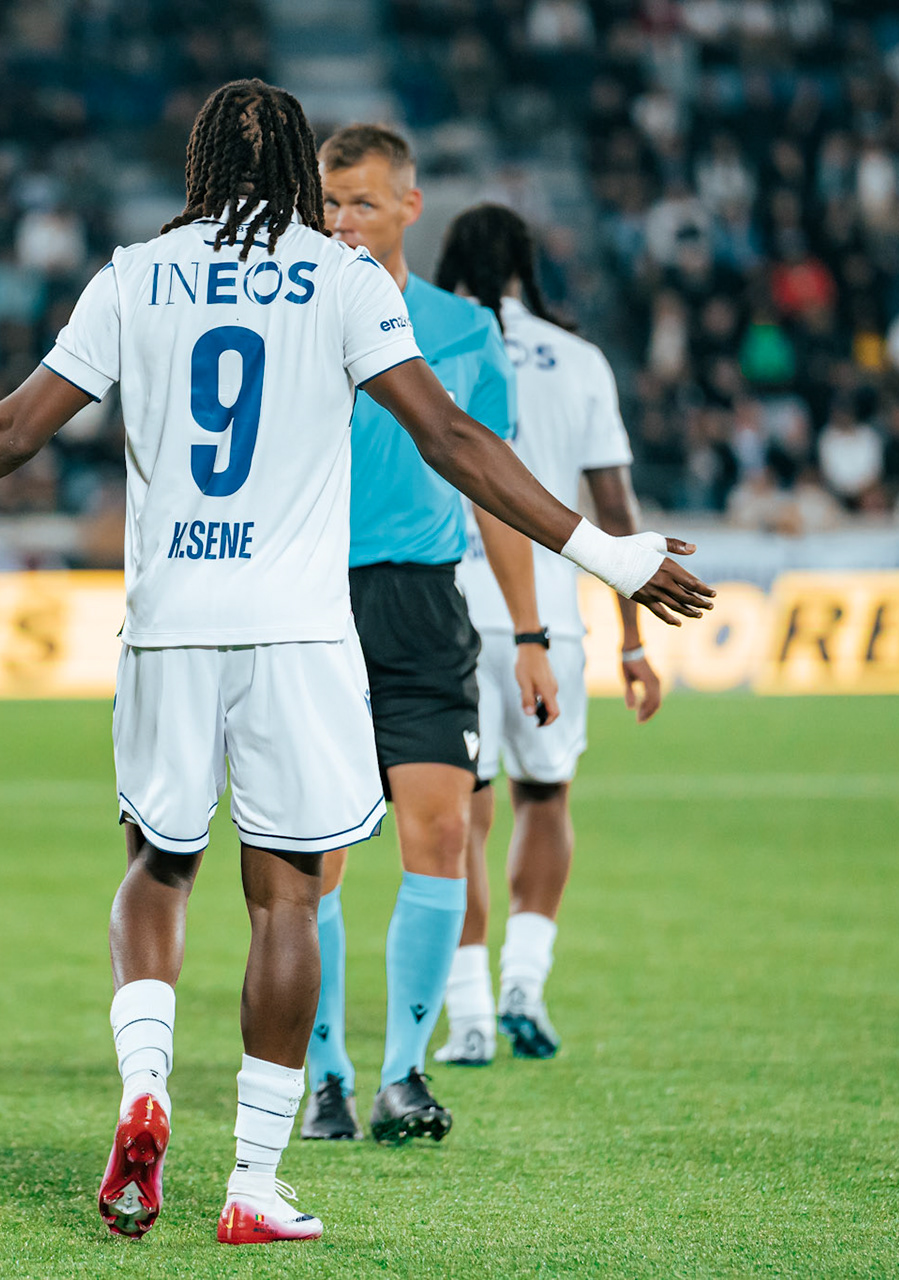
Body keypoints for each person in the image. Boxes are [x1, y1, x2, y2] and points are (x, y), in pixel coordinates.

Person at [0, 80, 714, 1245]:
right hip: (298, 631)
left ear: (200, 166)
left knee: (158, 866)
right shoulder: (345, 280)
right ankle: (254, 1182)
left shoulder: (136, 274)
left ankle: (145, 1086)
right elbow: (454, 439)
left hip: (169, 619)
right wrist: (610, 555)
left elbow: (10, 430)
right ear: (299, 173)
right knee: (288, 894)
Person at [296, 124, 562, 1146]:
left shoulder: (463, 330)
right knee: (317, 854)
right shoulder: (293, 315)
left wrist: (530, 631)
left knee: (442, 835)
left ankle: (403, 1074)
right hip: (312, 605)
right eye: (328, 204)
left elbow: (492, 486)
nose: (341, 222)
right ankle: (327, 1077)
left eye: (361, 203)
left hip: (424, 606)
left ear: (411, 206)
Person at [430, 204, 668, 1067]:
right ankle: (524, 984)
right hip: (550, 620)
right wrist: (632, 640)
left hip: (449, 603)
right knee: (545, 798)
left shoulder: (424, 346)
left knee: (459, 815)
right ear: (526, 266)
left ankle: (468, 1016)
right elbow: (616, 508)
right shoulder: (580, 358)